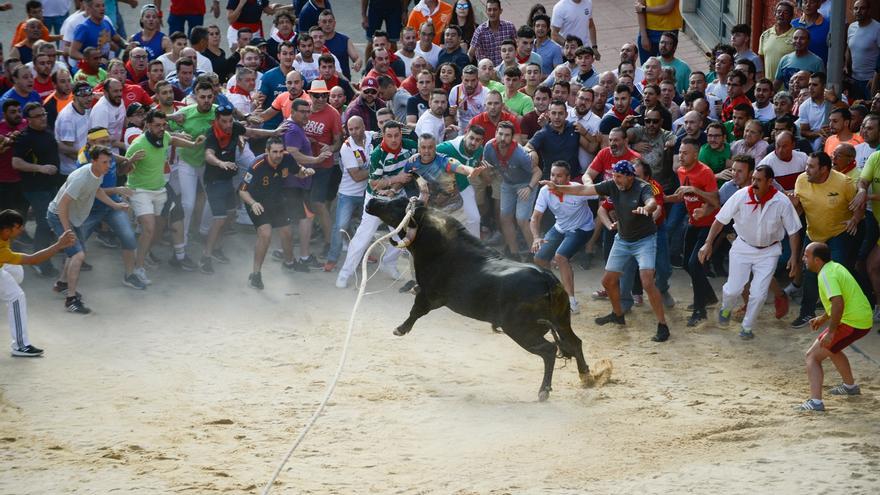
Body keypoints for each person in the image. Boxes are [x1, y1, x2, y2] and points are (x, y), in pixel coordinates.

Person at [699, 164, 802, 339]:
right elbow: (720, 220)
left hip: (769, 252)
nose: (754, 183)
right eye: (753, 179)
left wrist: (793, 256)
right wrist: (708, 243)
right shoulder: (740, 195)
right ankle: (726, 308)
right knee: (733, 289)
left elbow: (793, 231)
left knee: (759, 294)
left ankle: (747, 327)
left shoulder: (782, 201)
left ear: (770, 182)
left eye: (759, 180)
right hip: (743, 247)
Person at [46, 144, 128, 314]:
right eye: (105, 162)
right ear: (93, 161)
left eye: (110, 161)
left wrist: (115, 205)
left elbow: (97, 191)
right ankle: (71, 300)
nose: (109, 165)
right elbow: (62, 205)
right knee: (78, 254)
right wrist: (67, 231)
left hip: (73, 217)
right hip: (59, 215)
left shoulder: (97, 173)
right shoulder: (81, 178)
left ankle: (61, 284)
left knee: (76, 252)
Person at [335, 121, 416, 288]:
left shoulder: (411, 147)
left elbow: (409, 172)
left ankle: (389, 263)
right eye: (389, 136)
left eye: (396, 135)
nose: (393, 139)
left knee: (402, 235)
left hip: (397, 198)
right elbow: (374, 184)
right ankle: (345, 273)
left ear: (401, 134)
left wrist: (395, 187)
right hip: (376, 201)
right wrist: (397, 179)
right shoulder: (378, 154)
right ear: (383, 136)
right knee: (363, 238)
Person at [125, 109, 203, 282]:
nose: (161, 129)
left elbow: (172, 139)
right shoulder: (137, 145)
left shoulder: (164, 136)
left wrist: (193, 144)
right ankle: (138, 268)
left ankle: (142, 254)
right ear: (147, 126)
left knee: (157, 231)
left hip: (160, 190)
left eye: (163, 125)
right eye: (157, 126)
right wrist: (130, 161)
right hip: (140, 191)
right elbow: (123, 170)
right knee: (149, 228)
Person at [790, 152, 863, 329]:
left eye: (811, 166)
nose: (806, 170)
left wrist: (855, 219)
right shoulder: (801, 180)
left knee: (837, 275)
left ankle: (845, 315)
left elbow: (859, 206)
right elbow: (799, 209)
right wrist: (793, 205)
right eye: (807, 165)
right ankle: (806, 312)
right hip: (814, 234)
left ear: (824, 169)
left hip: (839, 234)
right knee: (810, 275)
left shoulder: (843, 182)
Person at [797, 242, 872, 412]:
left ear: (817, 260)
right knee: (833, 349)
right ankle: (850, 387)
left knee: (812, 356)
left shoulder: (826, 275)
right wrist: (823, 318)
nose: (803, 259)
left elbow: (838, 303)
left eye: (806, 256)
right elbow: (840, 301)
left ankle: (815, 403)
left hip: (852, 322)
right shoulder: (834, 267)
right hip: (860, 319)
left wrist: (830, 332)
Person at [239, 137, 314, 290]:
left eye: (281, 151)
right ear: (267, 152)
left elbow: (298, 171)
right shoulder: (257, 165)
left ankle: (289, 263)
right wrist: (253, 203)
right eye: (274, 152)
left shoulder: (286, 158)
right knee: (265, 234)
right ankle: (255, 275)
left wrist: (305, 172)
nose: (278, 155)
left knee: (287, 232)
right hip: (257, 203)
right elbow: (242, 190)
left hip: (277, 200)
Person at [0, 209, 76, 357]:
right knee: (16, 296)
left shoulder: (3, 234)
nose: (22, 229)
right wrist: (58, 245)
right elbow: (32, 260)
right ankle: (20, 346)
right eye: (18, 227)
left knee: (16, 271)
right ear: (7, 230)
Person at [665, 137, 720, 326]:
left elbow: (715, 202)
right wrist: (662, 198)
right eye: (680, 152)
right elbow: (683, 197)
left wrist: (695, 190)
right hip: (693, 223)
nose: (681, 155)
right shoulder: (680, 170)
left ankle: (700, 310)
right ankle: (709, 297)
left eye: (685, 152)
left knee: (694, 264)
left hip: (709, 225)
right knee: (687, 264)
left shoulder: (705, 172)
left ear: (695, 155)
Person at [529, 161, 595, 315]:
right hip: (560, 227)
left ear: (568, 178)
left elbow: (600, 192)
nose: (554, 179)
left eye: (559, 176)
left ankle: (571, 302)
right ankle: (555, 292)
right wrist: (536, 237)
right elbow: (535, 218)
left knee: (560, 257)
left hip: (582, 228)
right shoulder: (545, 190)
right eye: (552, 175)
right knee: (539, 258)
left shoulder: (577, 190)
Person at [12, 102, 64, 279]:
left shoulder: (47, 131)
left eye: (44, 114)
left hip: (51, 185)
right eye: (38, 116)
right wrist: (40, 168)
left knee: (51, 222)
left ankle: (44, 256)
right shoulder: (24, 137)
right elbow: (16, 163)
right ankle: (39, 262)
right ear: (28, 120)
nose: (43, 118)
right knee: (44, 223)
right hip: (35, 188)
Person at [404, 133, 487, 238]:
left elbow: (461, 167)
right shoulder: (412, 163)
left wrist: (472, 171)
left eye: (430, 147)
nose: (426, 151)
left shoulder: (444, 161)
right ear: (418, 148)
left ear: (435, 148)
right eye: (423, 147)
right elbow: (406, 180)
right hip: (431, 211)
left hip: (455, 210)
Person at [483, 121, 540, 259]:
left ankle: (535, 254)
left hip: (526, 183)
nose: (503, 138)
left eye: (507, 135)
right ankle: (514, 253)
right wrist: (486, 171)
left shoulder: (520, 154)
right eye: (500, 134)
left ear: (513, 137)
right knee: (505, 218)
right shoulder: (489, 147)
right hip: (507, 183)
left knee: (521, 220)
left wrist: (529, 187)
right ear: (496, 133)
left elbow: (537, 172)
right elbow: (486, 165)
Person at [326, 116, 373, 272]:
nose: (353, 132)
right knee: (340, 227)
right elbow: (357, 176)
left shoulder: (373, 137)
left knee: (364, 227)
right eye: (350, 129)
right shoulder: (347, 147)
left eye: (357, 128)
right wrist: (378, 169)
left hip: (367, 194)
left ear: (364, 126)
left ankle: (365, 254)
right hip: (348, 195)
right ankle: (332, 259)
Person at [527, 99, 581, 179]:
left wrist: (585, 133)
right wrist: (532, 152)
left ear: (566, 114)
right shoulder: (543, 133)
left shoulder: (574, 128)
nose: (557, 117)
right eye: (553, 113)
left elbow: (591, 148)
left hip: (573, 179)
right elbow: (527, 147)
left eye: (560, 113)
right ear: (549, 114)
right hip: (550, 180)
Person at [846, 0, 880, 101]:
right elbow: (849, 48)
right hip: (854, 79)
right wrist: (845, 65)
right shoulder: (852, 27)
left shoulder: (877, 28)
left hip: (871, 81)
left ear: (869, 10)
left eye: (862, 8)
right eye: (856, 8)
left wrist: (875, 79)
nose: (858, 11)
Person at [758, 0, 795, 87]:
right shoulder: (765, 35)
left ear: (791, 16)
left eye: (785, 12)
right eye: (779, 12)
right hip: (769, 88)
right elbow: (761, 59)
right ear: (774, 14)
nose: (781, 15)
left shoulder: (796, 36)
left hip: (788, 88)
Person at [469, 0, 516, 66]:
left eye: (495, 10)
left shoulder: (509, 27)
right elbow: (470, 53)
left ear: (500, 11)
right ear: (486, 12)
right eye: (489, 10)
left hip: (506, 69)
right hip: (487, 71)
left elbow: (517, 47)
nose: (492, 13)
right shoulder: (480, 30)